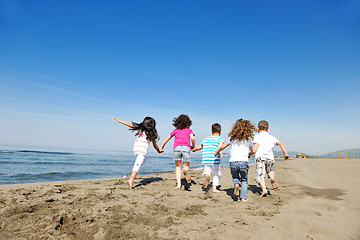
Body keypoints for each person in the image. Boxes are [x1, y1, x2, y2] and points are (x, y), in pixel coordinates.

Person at [114, 116, 163, 189]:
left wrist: (121, 121)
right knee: (138, 163)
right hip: (142, 150)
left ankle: (133, 174)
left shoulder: (141, 130)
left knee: (144, 159)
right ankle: (131, 179)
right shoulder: (149, 132)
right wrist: (158, 150)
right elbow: (154, 144)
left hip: (137, 148)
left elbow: (130, 125)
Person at [214, 119, 256, 202]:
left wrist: (217, 152)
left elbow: (222, 147)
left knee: (235, 177)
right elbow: (253, 150)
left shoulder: (231, 138)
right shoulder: (248, 139)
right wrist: (250, 154)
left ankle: (236, 184)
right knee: (244, 180)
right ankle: (243, 197)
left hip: (233, 161)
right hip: (244, 161)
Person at [250, 120, 290, 197]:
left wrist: (250, 154)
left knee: (260, 175)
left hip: (260, 157)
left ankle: (264, 189)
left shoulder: (256, 137)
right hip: (270, 158)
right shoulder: (272, 137)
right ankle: (272, 178)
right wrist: (285, 153)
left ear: (258, 129)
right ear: (268, 129)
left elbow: (254, 148)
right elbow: (281, 143)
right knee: (270, 170)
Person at [160, 114, 195, 190]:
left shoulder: (176, 130)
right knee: (185, 165)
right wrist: (193, 146)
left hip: (177, 148)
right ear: (188, 123)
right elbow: (192, 138)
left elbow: (167, 138)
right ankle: (185, 170)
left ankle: (178, 185)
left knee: (178, 167)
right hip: (186, 148)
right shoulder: (189, 131)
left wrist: (162, 147)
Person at [192, 123, 224, 193]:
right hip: (215, 160)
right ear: (220, 131)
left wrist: (194, 149)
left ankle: (206, 176)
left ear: (211, 132)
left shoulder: (206, 139)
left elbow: (201, 146)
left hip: (205, 159)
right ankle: (214, 188)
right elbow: (221, 145)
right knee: (217, 173)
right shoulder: (220, 138)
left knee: (207, 171)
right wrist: (219, 151)